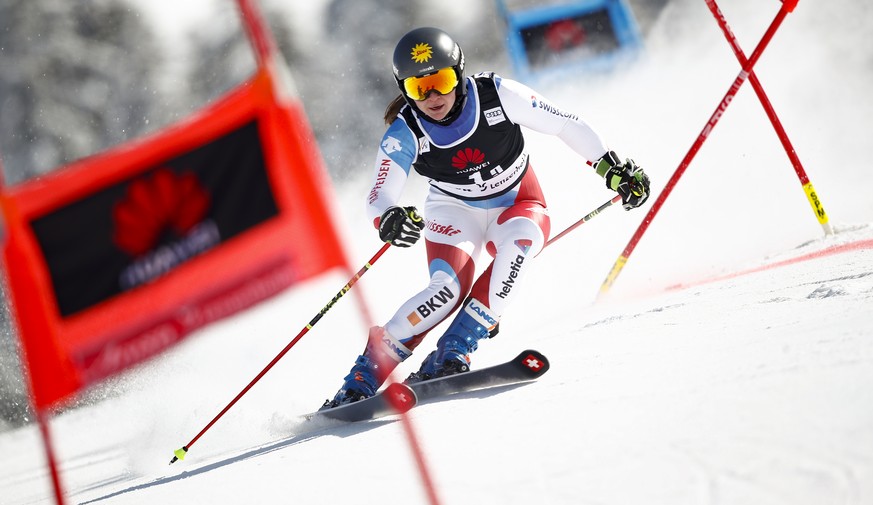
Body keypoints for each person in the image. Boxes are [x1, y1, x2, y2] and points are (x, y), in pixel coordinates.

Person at [322, 27, 649, 408]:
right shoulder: (406, 131)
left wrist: (611, 166)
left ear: (458, 74)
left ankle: (453, 351)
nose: (432, 97)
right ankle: (364, 376)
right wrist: (389, 218)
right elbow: (379, 195)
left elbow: (564, 123)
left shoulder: (498, 94)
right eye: (417, 88)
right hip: (455, 209)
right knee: (446, 291)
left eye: (441, 81)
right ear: (404, 88)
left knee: (521, 242)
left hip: (518, 201)